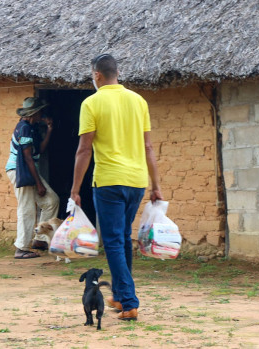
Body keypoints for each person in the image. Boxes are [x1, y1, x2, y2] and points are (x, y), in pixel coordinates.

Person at [70, 54, 163, 321]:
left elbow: (84, 149)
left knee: (112, 242)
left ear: (97, 75)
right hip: (136, 181)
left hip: (109, 181)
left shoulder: (91, 103)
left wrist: (75, 189)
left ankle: (131, 302)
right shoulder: (138, 101)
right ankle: (121, 298)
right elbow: (148, 147)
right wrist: (155, 185)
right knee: (122, 239)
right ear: (117, 72)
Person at [6, 97, 59, 259]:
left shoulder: (32, 128)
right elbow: (28, 158)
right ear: (34, 113)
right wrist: (38, 183)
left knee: (51, 201)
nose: (42, 115)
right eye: (40, 112)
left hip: (29, 170)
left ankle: (40, 239)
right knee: (27, 208)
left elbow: (38, 151)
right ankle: (21, 248)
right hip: (20, 171)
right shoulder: (24, 129)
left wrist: (49, 129)